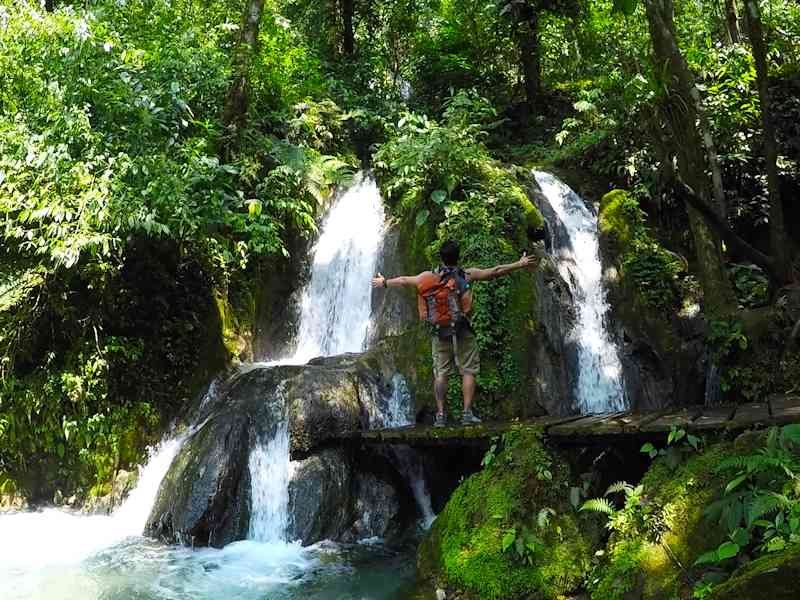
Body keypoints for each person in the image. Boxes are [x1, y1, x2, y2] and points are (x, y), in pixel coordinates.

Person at [371, 239, 538, 427]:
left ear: (441, 258)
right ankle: (467, 414)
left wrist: (384, 282)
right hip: (462, 329)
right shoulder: (466, 275)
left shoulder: (426, 277)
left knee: (441, 373)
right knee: (468, 370)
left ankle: (440, 415)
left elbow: (402, 281)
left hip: (439, 330)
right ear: (458, 256)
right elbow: (495, 271)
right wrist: (520, 264)